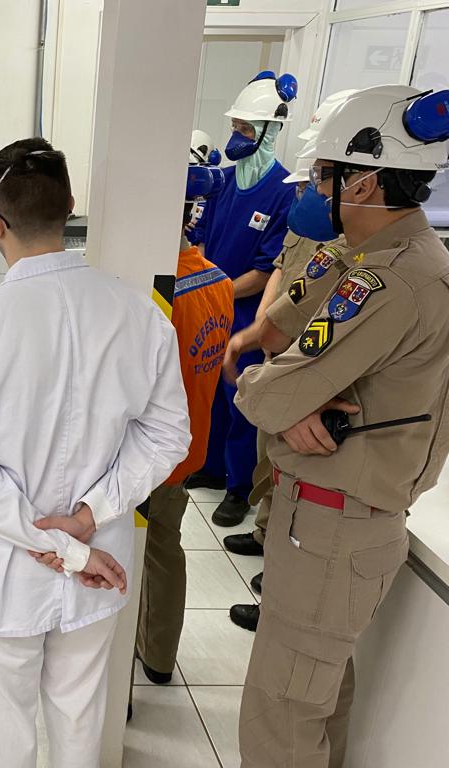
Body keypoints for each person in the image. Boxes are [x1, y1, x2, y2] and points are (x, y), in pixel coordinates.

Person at [0, 138, 190, 767]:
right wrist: (86, 521)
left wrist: (64, 543)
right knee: (80, 718)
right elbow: (167, 437)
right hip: (100, 560)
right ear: (70, 207)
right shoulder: (141, 315)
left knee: (5, 725)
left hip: (9, 567)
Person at [234, 84, 449, 767]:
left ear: (363, 181)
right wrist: (286, 394)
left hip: (337, 521)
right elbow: (278, 334)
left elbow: (266, 390)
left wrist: (273, 392)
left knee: (281, 710)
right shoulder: (355, 257)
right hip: (325, 517)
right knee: (313, 694)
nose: (312, 191)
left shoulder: (394, 282)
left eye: (324, 176)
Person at [221, 91, 357, 632]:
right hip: (283, 355)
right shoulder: (320, 229)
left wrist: (268, 349)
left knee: (299, 487)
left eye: (320, 180)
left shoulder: (373, 260)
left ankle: (280, 585)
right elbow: (287, 275)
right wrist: (262, 331)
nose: (311, 191)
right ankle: (267, 541)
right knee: (273, 462)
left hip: (312, 378)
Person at [136, 142, 234, 685]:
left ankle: (149, 653)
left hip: (152, 458)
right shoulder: (217, 279)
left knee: (148, 552)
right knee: (163, 548)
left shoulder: (157, 293)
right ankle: (155, 650)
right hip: (189, 445)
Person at [186, 70, 298, 528]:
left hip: (248, 313)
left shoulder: (285, 191)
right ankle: (211, 467)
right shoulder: (223, 182)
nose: (236, 135)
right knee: (209, 391)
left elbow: (268, 269)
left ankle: (238, 487)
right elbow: (202, 240)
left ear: (270, 132)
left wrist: (215, 290)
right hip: (212, 307)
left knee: (241, 398)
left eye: (245, 129)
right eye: (234, 126)